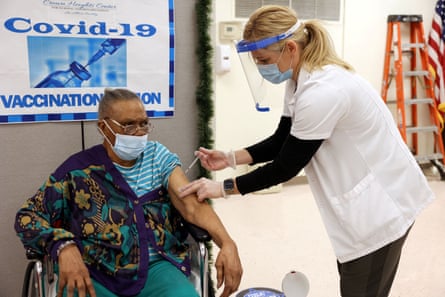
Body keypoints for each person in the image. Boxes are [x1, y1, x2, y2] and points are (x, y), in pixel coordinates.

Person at [178, 5, 435, 297]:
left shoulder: (324, 91)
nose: (261, 67)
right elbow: (281, 140)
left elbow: (285, 166)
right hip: (363, 203)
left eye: (263, 60)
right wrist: (231, 157)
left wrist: (221, 188)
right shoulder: (299, 78)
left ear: (290, 48)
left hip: (381, 208)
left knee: (362, 289)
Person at [15, 88, 242, 297]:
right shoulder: (77, 171)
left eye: (144, 123)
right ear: (104, 127)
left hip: (156, 267)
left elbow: (191, 206)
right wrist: (64, 247)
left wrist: (227, 243)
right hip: (94, 269)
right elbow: (28, 216)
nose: (139, 132)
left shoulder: (156, 156)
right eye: (128, 125)